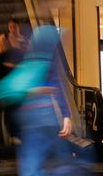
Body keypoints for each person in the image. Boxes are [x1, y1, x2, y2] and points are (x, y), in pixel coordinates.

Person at [15, 25, 83, 176]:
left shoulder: (27, 59)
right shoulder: (48, 59)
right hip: (47, 115)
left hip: (32, 118)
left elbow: (20, 88)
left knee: (33, 162)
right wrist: (66, 115)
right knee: (61, 160)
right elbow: (56, 84)